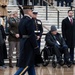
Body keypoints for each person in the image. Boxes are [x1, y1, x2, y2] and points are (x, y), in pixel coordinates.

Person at [14, 6, 40, 75]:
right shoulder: (29, 21)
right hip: (29, 45)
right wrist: (36, 46)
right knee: (26, 65)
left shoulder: (21, 20)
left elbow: (20, 33)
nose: (32, 12)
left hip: (23, 42)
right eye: (31, 11)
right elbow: (31, 35)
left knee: (30, 64)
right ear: (29, 12)